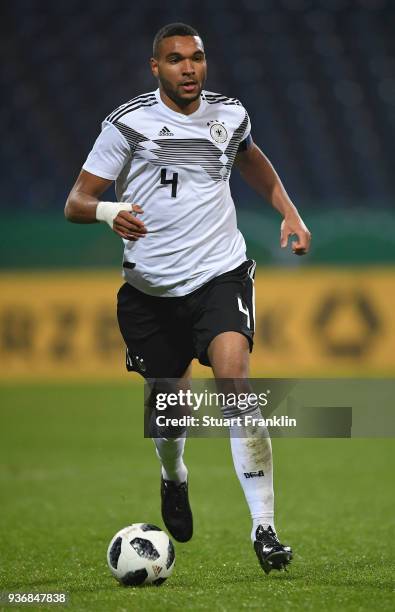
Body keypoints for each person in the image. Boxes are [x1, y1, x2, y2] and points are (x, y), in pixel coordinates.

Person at [65, 22, 311, 576]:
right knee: (168, 408)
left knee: (234, 380)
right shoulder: (127, 124)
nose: (189, 68)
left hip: (219, 273)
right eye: (175, 60)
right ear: (156, 68)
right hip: (152, 291)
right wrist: (109, 212)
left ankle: (265, 529)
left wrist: (287, 209)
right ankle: (174, 475)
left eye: (197, 58)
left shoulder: (230, 115)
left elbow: (251, 160)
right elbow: (76, 201)